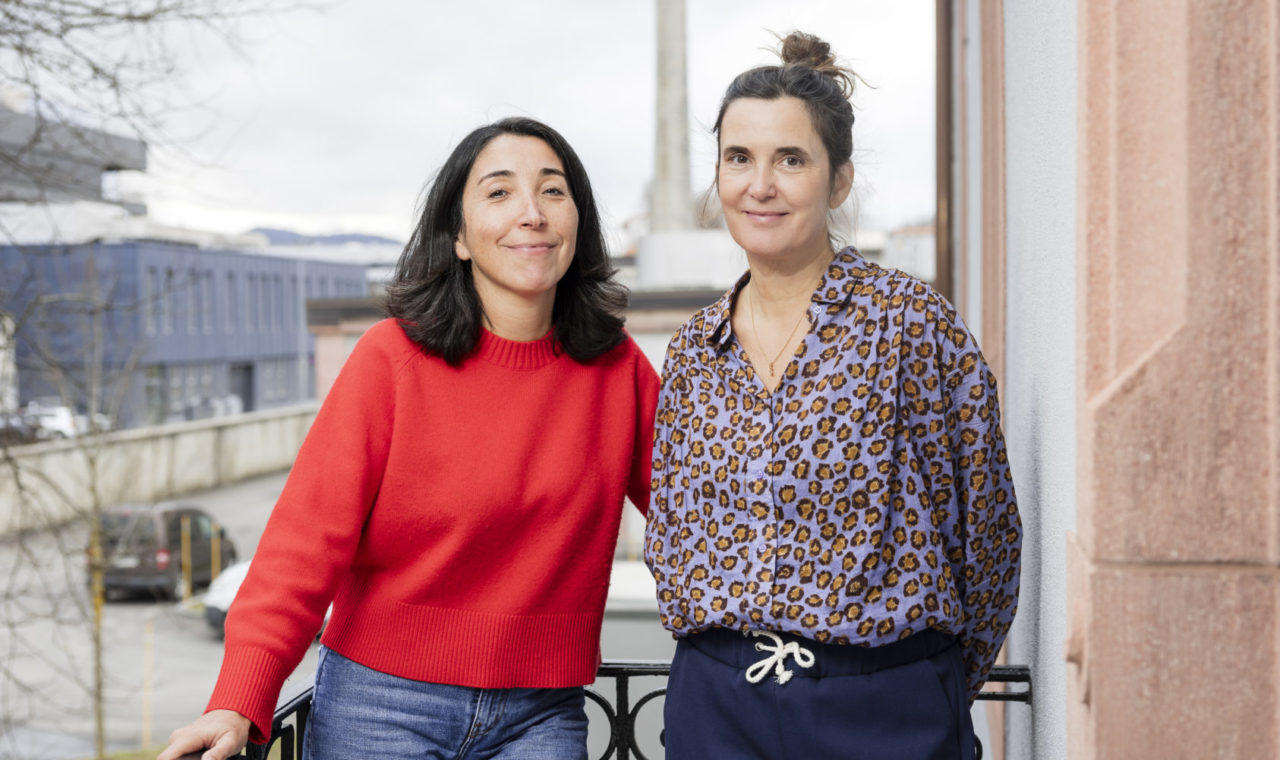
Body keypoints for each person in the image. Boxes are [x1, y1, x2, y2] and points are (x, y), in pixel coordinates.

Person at [159, 117, 658, 760]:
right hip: (381, 705)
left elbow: (703, 514)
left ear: (578, 224)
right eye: (499, 192)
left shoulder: (617, 370)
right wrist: (237, 696)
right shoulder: (390, 359)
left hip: (541, 710)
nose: (531, 213)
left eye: (553, 191)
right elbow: (304, 543)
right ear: (458, 238)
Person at [643, 31, 1021, 760]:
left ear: (838, 180)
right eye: (739, 159)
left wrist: (924, 683)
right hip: (718, 708)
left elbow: (990, 537)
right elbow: (672, 535)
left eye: (791, 160)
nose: (761, 185)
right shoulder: (695, 349)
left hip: (885, 708)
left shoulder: (910, 324)